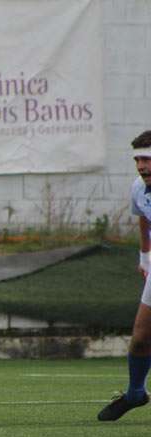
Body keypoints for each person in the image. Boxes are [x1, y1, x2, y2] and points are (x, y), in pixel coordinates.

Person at [98, 130, 151, 421]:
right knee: (141, 338)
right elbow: (144, 216)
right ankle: (135, 393)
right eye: (138, 160)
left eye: (147, 159)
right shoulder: (139, 188)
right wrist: (145, 256)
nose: (142, 166)